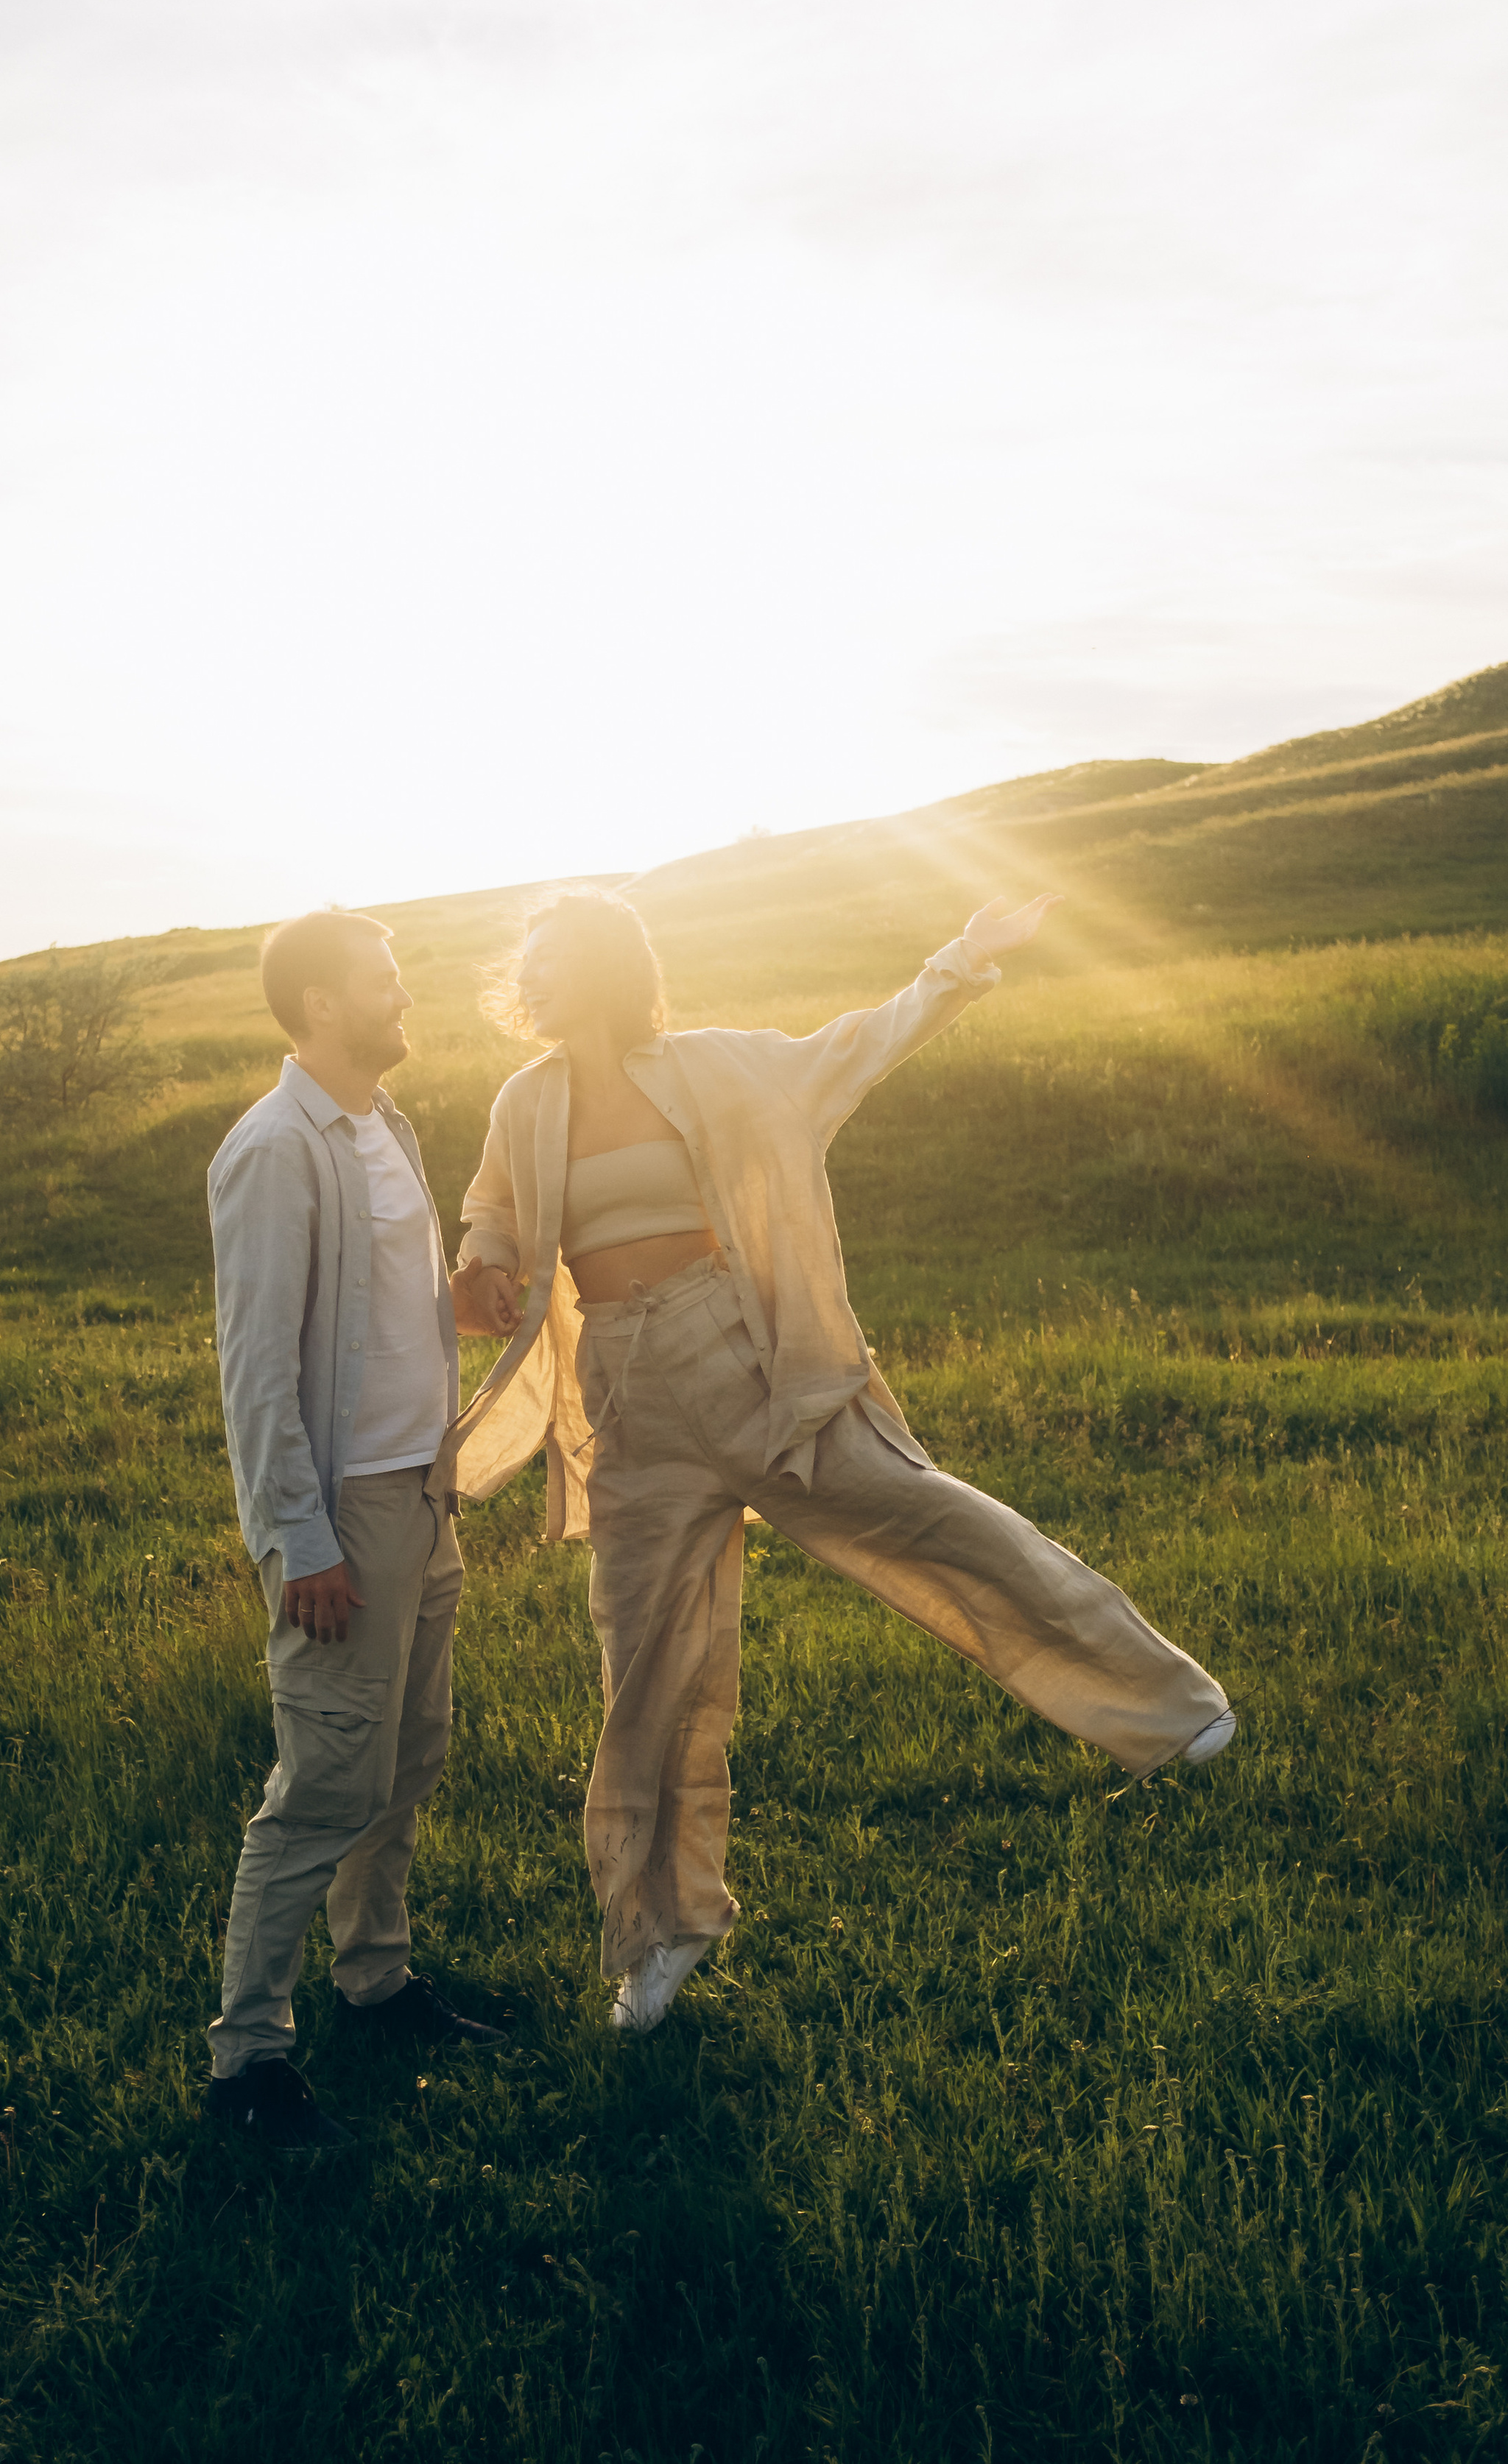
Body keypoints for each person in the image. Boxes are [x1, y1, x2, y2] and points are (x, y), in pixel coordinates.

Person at [448, 890, 1234, 2036]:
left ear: (611, 968)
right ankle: (660, 1935)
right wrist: (483, 1265)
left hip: (752, 1368)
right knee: (644, 1663)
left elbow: (857, 1046)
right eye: (534, 958)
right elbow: (494, 1214)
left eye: (560, 955)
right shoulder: (527, 1102)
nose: (539, 973)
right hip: (629, 1405)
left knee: (933, 1522)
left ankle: (1175, 1712)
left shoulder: (718, 1066)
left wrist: (961, 958)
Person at [204, 910, 504, 2152]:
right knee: (325, 1781)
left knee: (408, 1761)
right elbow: (257, 1367)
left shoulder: (390, 1129)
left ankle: (374, 1981)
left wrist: (458, 1306)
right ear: (321, 1004)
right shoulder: (274, 1149)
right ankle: (248, 2065)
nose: (406, 1001)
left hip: (422, 1495)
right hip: (344, 1516)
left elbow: (372, 1309)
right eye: (384, 984)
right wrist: (301, 1540)